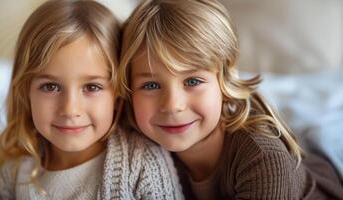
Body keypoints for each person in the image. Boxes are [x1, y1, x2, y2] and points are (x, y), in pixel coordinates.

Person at [118, 0, 343, 199]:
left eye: (193, 81)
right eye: (151, 85)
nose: (173, 105)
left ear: (224, 82)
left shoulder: (262, 157)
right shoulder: (135, 149)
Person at [0, 0, 183, 199]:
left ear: (118, 97)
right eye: (50, 87)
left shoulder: (142, 166)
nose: (69, 109)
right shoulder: (14, 173)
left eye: (92, 87)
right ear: (26, 92)